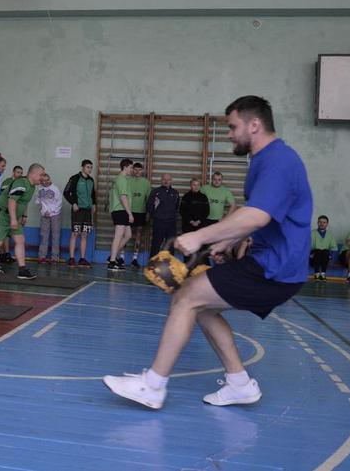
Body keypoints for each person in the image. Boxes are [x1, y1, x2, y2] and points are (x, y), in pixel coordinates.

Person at [104, 95, 312, 410]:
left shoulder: (278, 161)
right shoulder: (264, 159)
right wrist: (227, 240)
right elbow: (256, 212)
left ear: (254, 125)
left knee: (187, 297)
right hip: (271, 263)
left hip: (276, 268)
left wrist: (199, 236)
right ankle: (239, 384)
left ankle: (153, 385)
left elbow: (258, 216)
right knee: (200, 305)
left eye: (232, 127)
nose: (228, 134)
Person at [0, 163, 45, 280]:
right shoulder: (21, 183)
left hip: (13, 216)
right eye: (41, 175)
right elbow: (12, 201)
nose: (42, 177)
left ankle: (22, 270)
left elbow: (23, 202)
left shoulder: (32, 186)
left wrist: (24, 216)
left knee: (20, 240)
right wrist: (13, 219)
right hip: (1, 214)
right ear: (33, 174)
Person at [63, 159, 96, 267]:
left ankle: (82, 258)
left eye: (91, 167)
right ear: (82, 167)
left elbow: (93, 194)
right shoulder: (75, 178)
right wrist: (73, 203)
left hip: (87, 211)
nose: (89, 169)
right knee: (75, 233)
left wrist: (94, 204)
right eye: (88, 167)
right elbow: (66, 192)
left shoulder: (91, 180)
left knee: (85, 234)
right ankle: (72, 258)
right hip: (78, 210)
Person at [107, 158, 134, 271]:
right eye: (131, 167)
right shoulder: (121, 180)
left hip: (121, 210)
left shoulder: (120, 179)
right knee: (118, 236)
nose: (132, 170)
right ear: (125, 167)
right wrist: (130, 213)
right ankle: (112, 261)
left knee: (128, 235)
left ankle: (112, 256)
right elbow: (123, 197)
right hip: (120, 210)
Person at [126, 162, 151, 268]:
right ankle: (121, 258)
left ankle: (134, 259)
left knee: (138, 236)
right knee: (125, 235)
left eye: (139, 170)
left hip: (141, 212)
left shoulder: (146, 183)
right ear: (132, 170)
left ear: (142, 171)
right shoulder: (127, 180)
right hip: (129, 212)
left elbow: (149, 200)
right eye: (135, 169)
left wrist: (148, 213)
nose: (137, 172)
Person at [147, 173, 179, 257]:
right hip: (159, 223)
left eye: (168, 180)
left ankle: (170, 266)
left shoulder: (175, 193)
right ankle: (152, 266)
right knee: (156, 245)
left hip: (171, 223)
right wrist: (156, 216)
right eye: (164, 179)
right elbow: (149, 206)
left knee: (170, 246)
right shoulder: (155, 192)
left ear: (171, 181)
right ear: (161, 180)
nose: (166, 181)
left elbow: (176, 207)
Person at [0, 165, 24, 263]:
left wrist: (24, 215)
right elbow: (6, 198)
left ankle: (6, 254)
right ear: (13, 172)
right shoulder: (7, 182)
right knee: (2, 234)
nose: (20, 174)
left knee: (9, 235)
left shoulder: (21, 183)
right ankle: (2, 253)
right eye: (18, 172)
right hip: (5, 212)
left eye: (21, 173)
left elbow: (23, 201)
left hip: (15, 213)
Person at [36, 173, 63, 264]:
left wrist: (51, 211)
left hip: (55, 214)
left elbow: (59, 202)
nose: (46, 182)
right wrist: (44, 212)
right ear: (41, 181)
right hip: (45, 215)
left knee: (55, 236)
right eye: (43, 181)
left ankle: (54, 257)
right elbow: (40, 202)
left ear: (49, 179)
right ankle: (42, 256)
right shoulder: (40, 190)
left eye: (47, 180)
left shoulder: (55, 189)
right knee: (44, 235)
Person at [309, 215, 338, 281]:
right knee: (318, 251)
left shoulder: (330, 234)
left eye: (324, 222)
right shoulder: (311, 233)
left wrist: (330, 256)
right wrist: (310, 255)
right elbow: (306, 247)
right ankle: (316, 274)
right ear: (317, 223)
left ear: (327, 224)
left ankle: (323, 274)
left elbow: (334, 248)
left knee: (325, 251)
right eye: (320, 222)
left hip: (324, 259)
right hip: (314, 258)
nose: (322, 224)